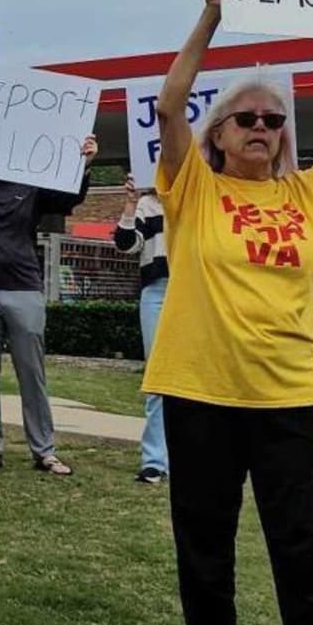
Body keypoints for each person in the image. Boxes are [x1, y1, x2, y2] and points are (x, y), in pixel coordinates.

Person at [142, 0, 313, 625]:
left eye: (272, 118)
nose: (261, 126)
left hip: (289, 399)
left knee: (302, 553)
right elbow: (170, 104)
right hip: (200, 391)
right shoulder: (192, 190)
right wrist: (211, 14)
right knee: (205, 556)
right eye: (245, 118)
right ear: (220, 136)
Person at [0, 107, 98, 476]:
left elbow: (68, 197)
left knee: (31, 371)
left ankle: (44, 450)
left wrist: (85, 164)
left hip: (23, 286)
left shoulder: (35, 185)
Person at [112, 176, 169, 485]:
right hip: (157, 292)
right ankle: (155, 461)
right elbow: (126, 245)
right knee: (158, 377)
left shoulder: (200, 197)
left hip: (197, 291)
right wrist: (131, 205)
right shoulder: (149, 205)